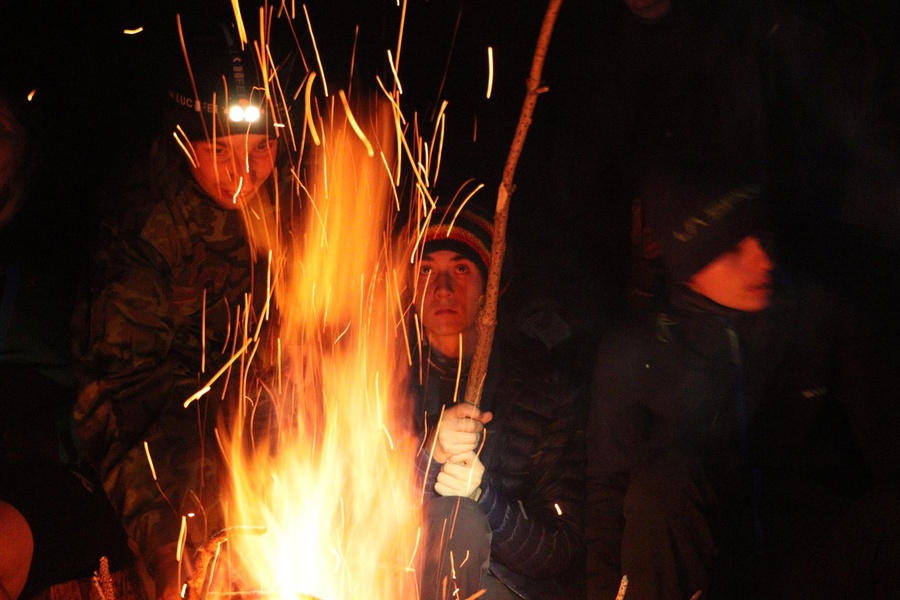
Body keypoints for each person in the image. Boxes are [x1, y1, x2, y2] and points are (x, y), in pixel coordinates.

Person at [584, 163, 900, 599]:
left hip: (806, 565)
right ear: (689, 264)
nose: (762, 260)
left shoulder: (818, 318)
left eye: (762, 236)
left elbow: (887, 442)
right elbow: (608, 492)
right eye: (733, 249)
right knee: (661, 487)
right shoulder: (637, 349)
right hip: (707, 571)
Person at [73, 20, 293, 600]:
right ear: (182, 141)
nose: (244, 173)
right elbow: (120, 396)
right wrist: (172, 545)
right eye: (220, 149)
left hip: (261, 426)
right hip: (165, 437)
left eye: (261, 148)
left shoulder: (294, 202)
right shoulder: (143, 224)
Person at [1, 77, 137, 597]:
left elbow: (115, 391)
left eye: (0, 130)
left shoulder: (69, 249)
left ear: (29, 151)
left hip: (62, 476)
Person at [406, 206, 585, 600]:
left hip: (498, 588)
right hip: (391, 578)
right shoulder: (377, 379)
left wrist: (483, 499)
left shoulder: (540, 389)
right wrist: (428, 456)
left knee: (463, 518)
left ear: (491, 285)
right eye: (425, 270)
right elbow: (349, 514)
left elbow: (562, 547)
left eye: (462, 269)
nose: (442, 289)